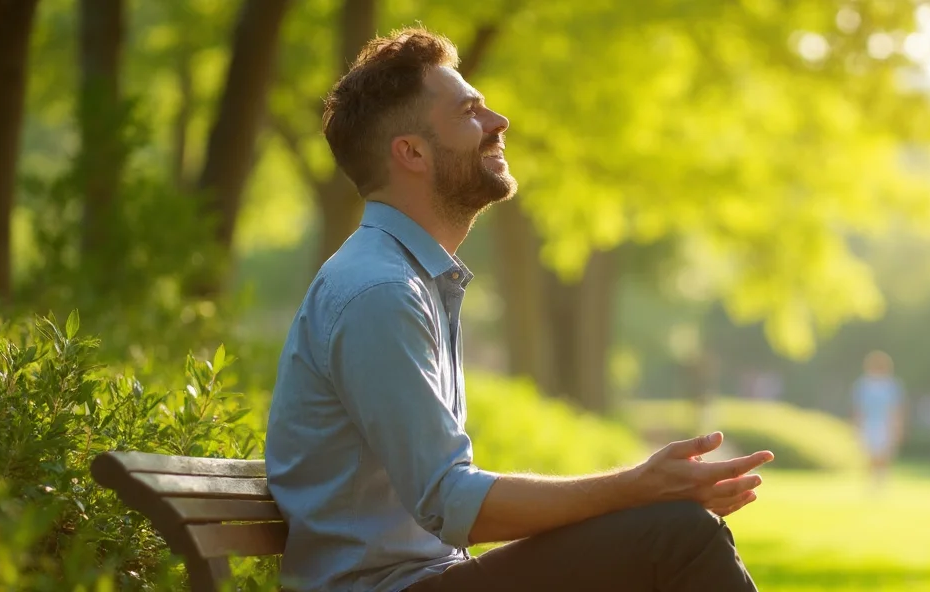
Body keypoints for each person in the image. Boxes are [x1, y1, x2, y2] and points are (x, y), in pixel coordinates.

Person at [265, 28, 771, 592]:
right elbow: (453, 503)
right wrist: (638, 487)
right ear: (412, 152)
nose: (499, 121)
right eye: (469, 112)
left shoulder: (406, 279)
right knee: (677, 535)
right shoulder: (379, 291)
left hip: (428, 579)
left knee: (674, 531)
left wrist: (641, 494)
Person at [851, 351, 905, 490]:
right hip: (868, 424)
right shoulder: (863, 385)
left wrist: (898, 426)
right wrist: (857, 425)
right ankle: (872, 481)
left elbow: (896, 408)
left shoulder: (891, 385)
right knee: (870, 454)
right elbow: (858, 408)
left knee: (884, 454)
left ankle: (881, 481)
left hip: (886, 424)